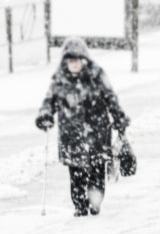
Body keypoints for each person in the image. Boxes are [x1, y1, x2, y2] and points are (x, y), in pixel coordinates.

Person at [35, 37, 130, 217]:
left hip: (97, 134)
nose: (75, 64)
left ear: (84, 59)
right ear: (65, 62)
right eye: (71, 60)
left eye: (77, 60)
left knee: (96, 171)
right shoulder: (60, 80)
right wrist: (45, 115)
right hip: (72, 136)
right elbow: (49, 101)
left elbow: (110, 98)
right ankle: (79, 205)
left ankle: (95, 202)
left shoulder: (96, 75)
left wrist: (119, 118)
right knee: (76, 173)